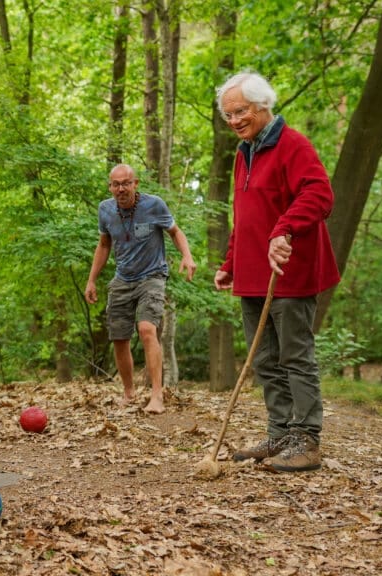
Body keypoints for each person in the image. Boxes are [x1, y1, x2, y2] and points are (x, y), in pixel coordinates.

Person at [214, 71, 339, 473]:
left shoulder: (293, 145)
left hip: (289, 272)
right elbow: (244, 216)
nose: (234, 120)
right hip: (252, 274)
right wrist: (230, 264)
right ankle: (280, 431)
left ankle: (306, 439)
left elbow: (320, 194)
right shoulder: (243, 152)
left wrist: (285, 228)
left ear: (263, 105)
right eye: (228, 114)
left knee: (294, 355)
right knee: (266, 360)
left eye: (241, 111)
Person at [84, 164, 196, 414]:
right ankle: (129, 393)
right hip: (123, 278)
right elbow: (104, 245)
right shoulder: (105, 210)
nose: (121, 188)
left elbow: (175, 232)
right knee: (119, 337)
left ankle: (157, 395)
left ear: (136, 184)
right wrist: (92, 280)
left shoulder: (154, 205)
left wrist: (187, 256)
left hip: (152, 275)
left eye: (126, 183)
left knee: (147, 329)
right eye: (116, 184)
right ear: (110, 187)